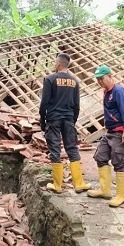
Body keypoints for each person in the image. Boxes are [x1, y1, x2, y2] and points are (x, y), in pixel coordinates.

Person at [39, 53, 91, 194]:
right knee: (72, 149)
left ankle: (57, 185)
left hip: (54, 119)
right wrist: (72, 121)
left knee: (55, 149)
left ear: (58, 64)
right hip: (68, 119)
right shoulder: (75, 82)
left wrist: (42, 120)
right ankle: (79, 184)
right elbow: (77, 106)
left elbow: (44, 103)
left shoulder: (50, 79)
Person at [87, 65, 124, 208]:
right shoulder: (106, 92)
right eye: (98, 80)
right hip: (110, 131)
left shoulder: (118, 91)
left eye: (102, 78)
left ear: (110, 76)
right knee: (100, 156)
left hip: (120, 131)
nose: (100, 81)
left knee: (118, 161)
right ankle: (105, 190)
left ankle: (121, 195)